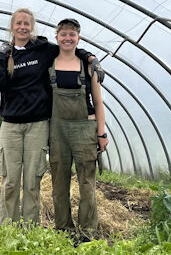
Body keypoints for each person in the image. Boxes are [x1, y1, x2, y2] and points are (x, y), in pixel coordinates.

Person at [0, 8, 103, 225]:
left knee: (32, 181)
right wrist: (1, 55)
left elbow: (68, 47)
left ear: (32, 27)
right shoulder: (6, 53)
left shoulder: (42, 50)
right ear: (12, 27)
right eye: (19, 23)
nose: (23, 27)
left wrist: (91, 58)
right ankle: (8, 228)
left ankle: (31, 228)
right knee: (10, 181)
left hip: (38, 125)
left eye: (27, 24)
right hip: (11, 125)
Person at [48, 18, 108, 240]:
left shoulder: (88, 66)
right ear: (57, 37)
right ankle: (64, 229)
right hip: (57, 129)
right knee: (59, 182)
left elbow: (99, 102)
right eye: (63, 34)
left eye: (72, 34)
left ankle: (87, 233)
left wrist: (101, 133)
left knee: (86, 182)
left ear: (78, 38)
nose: (67, 38)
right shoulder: (49, 63)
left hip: (85, 129)